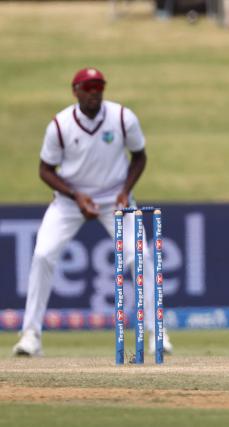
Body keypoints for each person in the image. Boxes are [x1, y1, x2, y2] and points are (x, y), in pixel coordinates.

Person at [12, 67, 173, 357]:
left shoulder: (123, 118)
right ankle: (30, 335)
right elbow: (45, 170)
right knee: (42, 255)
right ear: (75, 91)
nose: (94, 92)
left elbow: (139, 157)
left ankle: (155, 333)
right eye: (87, 88)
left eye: (98, 87)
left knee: (142, 257)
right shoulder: (60, 125)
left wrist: (125, 190)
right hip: (69, 201)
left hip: (116, 199)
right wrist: (76, 196)